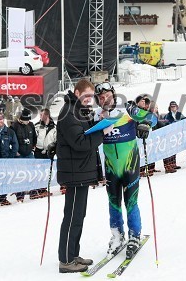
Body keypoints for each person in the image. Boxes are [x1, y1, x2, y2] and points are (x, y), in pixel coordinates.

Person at [93, 82, 157, 260]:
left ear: (113, 94)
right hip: (111, 168)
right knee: (113, 202)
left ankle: (134, 235)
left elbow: (152, 117)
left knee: (130, 202)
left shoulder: (128, 108)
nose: (104, 99)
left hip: (130, 165)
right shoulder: (97, 115)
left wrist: (145, 125)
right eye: (100, 97)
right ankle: (117, 235)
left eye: (107, 95)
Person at [57, 79, 112, 273]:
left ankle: (73, 254)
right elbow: (80, 143)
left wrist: (99, 122)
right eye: (86, 96)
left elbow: (85, 131)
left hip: (80, 171)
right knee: (72, 217)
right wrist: (102, 133)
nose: (89, 100)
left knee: (78, 216)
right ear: (77, 92)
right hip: (74, 172)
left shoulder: (77, 111)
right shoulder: (69, 113)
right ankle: (65, 260)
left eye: (91, 96)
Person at [9, 108, 37, 202]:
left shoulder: (31, 125)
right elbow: (11, 140)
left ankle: (33, 192)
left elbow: (34, 137)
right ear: (21, 119)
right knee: (20, 175)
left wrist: (33, 146)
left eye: (29, 120)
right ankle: (20, 196)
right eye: (26, 120)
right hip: (19, 154)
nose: (28, 121)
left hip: (29, 153)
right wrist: (15, 151)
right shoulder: (14, 126)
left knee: (32, 173)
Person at [0, 113, 19, 206]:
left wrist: (10, 156)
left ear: (3, 119)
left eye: (1, 119)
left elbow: (15, 145)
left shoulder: (10, 131)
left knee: (3, 179)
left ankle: (3, 198)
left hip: (5, 160)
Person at [31, 108, 56, 199]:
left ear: (47, 115)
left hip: (49, 151)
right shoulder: (36, 126)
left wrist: (54, 148)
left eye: (42, 115)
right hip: (38, 151)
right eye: (40, 115)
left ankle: (44, 189)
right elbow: (33, 137)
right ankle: (39, 189)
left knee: (46, 171)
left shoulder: (54, 127)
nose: (40, 117)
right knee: (38, 171)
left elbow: (56, 139)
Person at [162, 101, 185, 172]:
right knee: (170, 149)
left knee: (175, 149)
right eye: (171, 107)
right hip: (170, 134)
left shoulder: (179, 114)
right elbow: (166, 123)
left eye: (174, 106)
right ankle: (170, 164)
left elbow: (184, 120)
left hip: (177, 134)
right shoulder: (168, 115)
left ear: (176, 107)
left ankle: (173, 163)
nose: (173, 108)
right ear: (170, 108)